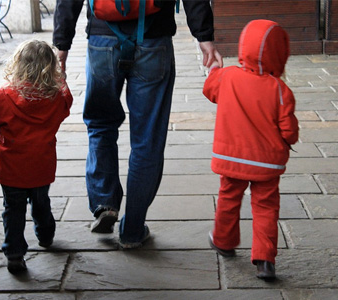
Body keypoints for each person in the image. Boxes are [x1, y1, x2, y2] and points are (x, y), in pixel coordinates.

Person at [53, 0, 222, 249]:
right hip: (155, 40)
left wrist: (61, 44)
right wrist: (204, 36)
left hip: (103, 39)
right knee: (148, 139)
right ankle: (132, 229)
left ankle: (104, 202)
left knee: (101, 125)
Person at [203, 19, 299, 280]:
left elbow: (209, 89)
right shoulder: (281, 90)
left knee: (228, 197)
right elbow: (289, 131)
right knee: (266, 207)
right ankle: (265, 260)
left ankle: (223, 241)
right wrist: (289, 139)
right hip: (267, 165)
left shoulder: (228, 76)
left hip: (231, 159)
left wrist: (214, 68)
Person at [0, 39, 73, 274]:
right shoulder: (56, 99)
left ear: (18, 65)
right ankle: (45, 234)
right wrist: (61, 79)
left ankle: (14, 253)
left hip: (11, 168)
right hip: (41, 166)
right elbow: (67, 103)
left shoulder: (5, 95)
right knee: (41, 202)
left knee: (13, 210)